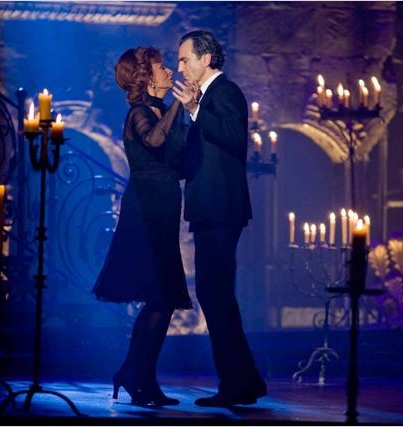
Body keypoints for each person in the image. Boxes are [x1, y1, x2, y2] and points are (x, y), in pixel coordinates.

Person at [92, 46, 192, 406]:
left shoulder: (162, 112)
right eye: (161, 67)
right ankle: (138, 376)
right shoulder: (139, 113)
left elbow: (178, 161)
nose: (169, 71)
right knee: (161, 296)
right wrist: (180, 105)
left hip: (164, 209)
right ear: (146, 78)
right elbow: (153, 139)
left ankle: (135, 373)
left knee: (162, 299)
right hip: (145, 213)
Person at [172, 30, 267, 407]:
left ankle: (238, 383)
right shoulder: (206, 98)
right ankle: (245, 380)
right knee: (215, 293)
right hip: (210, 208)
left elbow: (233, 137)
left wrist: (196, 110)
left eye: (184, 59)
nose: (180, 67)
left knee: (215, 293)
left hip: (221, 208)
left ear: (206, 59)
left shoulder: (225, 92)